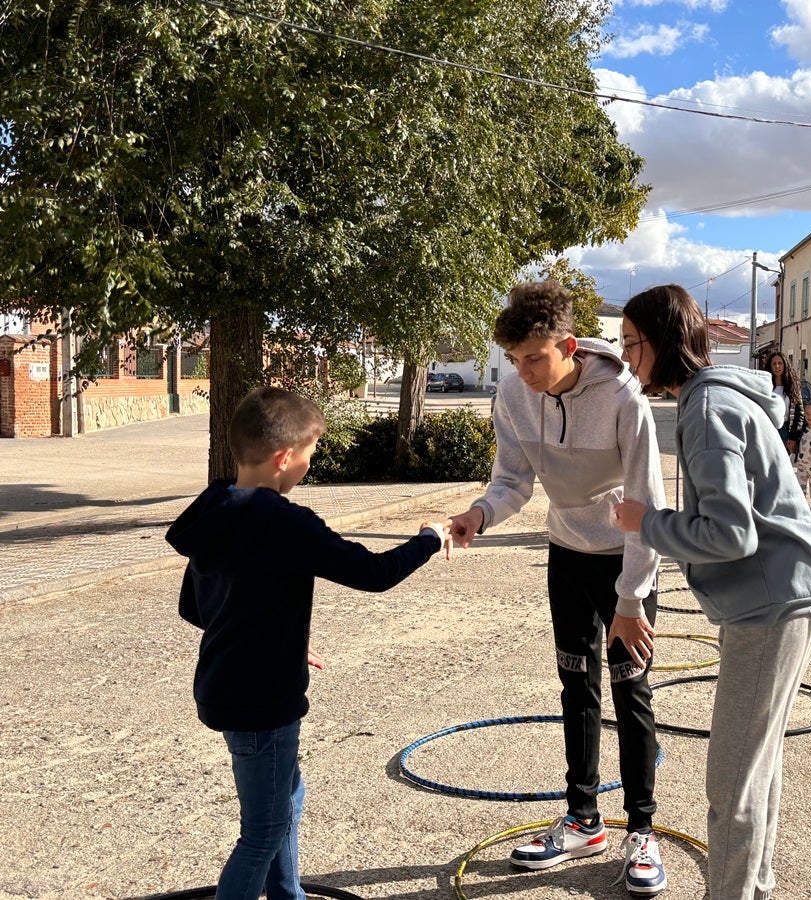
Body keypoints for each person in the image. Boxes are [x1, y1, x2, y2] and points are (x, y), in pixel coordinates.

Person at [166, 386, 450, 900]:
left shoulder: (216, 508)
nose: (310, 464)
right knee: (263, 832)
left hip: (224, 686)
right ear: (283, 458)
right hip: (262, 702)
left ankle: (287, 896)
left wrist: (277, 641)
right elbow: (373, 572)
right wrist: (428, 538)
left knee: (287, 799)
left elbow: (196, 608)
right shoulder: (285, 522)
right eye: (310, 454)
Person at [611, 284, 811, 900]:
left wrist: (644, 522)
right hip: (791, 593)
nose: (627, 358)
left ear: (662, 340)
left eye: (632, 343)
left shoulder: (706, 410)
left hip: (772, 602)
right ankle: (753, 888)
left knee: (732, 778)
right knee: (756, 765)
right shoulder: (715, 398)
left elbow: (731, 534)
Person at [447, 280, 668, 894]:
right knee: (577, 686)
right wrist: (478, 515)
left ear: (569, 345)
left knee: (632, 695)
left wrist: (630, 601)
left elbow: (650, 503)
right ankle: (583, 820)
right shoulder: (516, 394)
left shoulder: (624, 396)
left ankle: (642, 832)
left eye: (535, 359)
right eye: (514, 360)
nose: (523, 372)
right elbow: (511, 480)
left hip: (625, 559)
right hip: (567, 553)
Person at [766, 351, 802, 446]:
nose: (777, 366)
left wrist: (794, 437)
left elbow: (799, 413)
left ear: (785, 365)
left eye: (780, 363)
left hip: (785, 428)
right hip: (769, 427)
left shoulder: (793, 386)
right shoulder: (766, 386)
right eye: (774, 364)